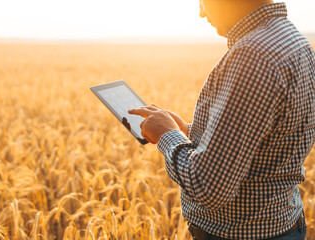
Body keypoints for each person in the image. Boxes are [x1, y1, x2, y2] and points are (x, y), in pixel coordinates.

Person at [128, 0, 315, 239]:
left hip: (240, 233)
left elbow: (209, 188)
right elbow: (267, 137)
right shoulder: (292, 39)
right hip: (284, 224)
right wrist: (188, 130)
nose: (201, 12)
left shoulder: (253, 56)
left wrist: (167, 135)